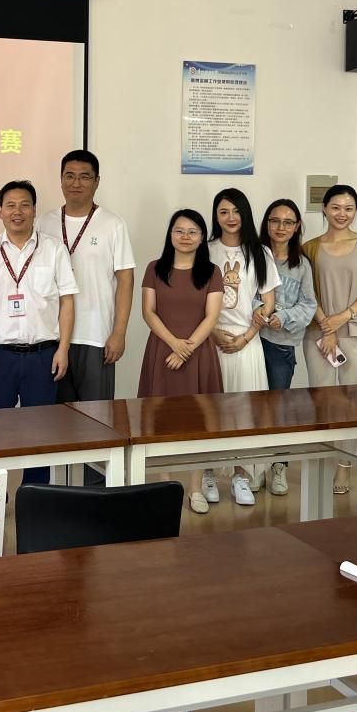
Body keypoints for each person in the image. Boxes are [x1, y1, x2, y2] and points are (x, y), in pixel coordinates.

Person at [0, 180, 77, 485]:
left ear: (34, 210)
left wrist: (63, 349)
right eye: (11, 205)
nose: (17, 212)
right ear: (0, 211)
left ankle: (35, 496)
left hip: (43, 355)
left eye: (24, 205)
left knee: (40, 432)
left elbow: (67, 301)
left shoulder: (54, 250)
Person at [137, 209, 224, 514]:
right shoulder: (154, 268)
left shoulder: (212, 271)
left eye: (193, 232)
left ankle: (195, 487)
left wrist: (186, 348)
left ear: (202, 237)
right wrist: (174, 343)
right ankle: (166, 485)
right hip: (162, 352)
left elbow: (212, 316)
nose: (185, 237)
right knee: (160, 420)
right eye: (179, 230)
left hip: (199, 354)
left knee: (200, 421)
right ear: (170, 234)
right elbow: (148, 312)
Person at [35, 150, 135, 405]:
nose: (76, 183)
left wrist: (119, 333)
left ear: (97, 181)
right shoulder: (44, 222)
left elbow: (125, 280)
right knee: (56, 417)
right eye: (69, 176)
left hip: (96, 335)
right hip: (52, 336)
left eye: (84, 177)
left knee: (97, 415)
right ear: (60, 179)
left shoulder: (113, 224)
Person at [301, 184, 357, 495]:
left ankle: (345, 465)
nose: (342, 214)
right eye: (335, 207)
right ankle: (322, 459)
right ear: (324, 209)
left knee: (353, 400)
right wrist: (328, 327)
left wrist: (344, 317)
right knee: (321, 398)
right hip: (319, 332)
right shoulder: (309, 248)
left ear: (356, 210)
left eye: (348, 208)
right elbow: (307, 292)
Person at [208, 187, 279, 506]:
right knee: (211, 410)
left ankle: (241, 475)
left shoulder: (260, 252)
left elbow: (268, 301)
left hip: (246, 342)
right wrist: (212, 333)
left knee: (244, 412)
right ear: (216, 216)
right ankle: (207, 472)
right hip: (211, 341)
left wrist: (248, 335)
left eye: (236, 211)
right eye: (224, 212)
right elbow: (196, 299)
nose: (230, 217)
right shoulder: (206, 250)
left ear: (245, 214)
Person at [252, 198, 318, 495]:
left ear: (297, 227)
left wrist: (284, 317)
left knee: (277, 408)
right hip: (250, 341)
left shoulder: (301, 265)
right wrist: (257, 309)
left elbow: (309, 304)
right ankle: (254, 467)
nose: (281, 227)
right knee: (251, 406)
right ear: (266, 223)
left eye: (288, 222)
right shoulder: (253, 256)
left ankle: (278, 465)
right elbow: (236, 293)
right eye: (275, 221)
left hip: (281, 345)